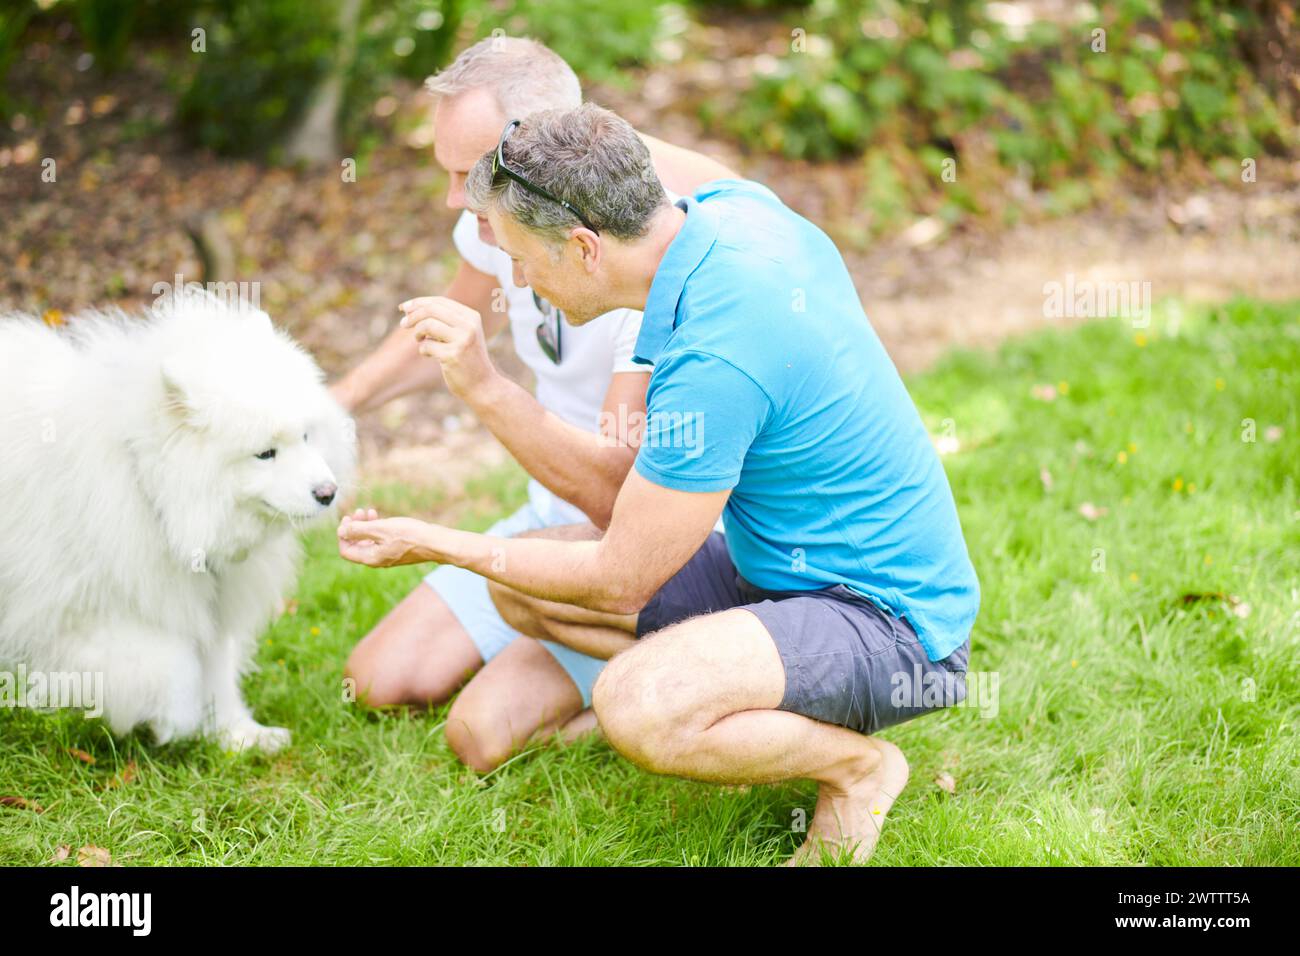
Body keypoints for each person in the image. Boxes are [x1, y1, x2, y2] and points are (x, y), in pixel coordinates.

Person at [336, 103, 979, 866]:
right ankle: (738, 717)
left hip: (892, 626)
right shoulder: (724, 212)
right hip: (773, 575)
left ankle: (859, 769)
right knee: (522, 586)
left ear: (582, 247)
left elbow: (619, 579)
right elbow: (618, 512)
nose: (514, 277)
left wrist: (434, 541)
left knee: (635, 704)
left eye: (518, 256)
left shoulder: (718, 355)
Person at [333, 37, 734, 773]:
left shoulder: (633, 254)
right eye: (446, 173)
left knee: (478, 737)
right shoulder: (496, 217)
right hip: (550, 516)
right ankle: (582, 651)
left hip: (631, 535)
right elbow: (463, 314)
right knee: (377, 679)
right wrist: (335, 404)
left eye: (468, 174)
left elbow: (618, 489)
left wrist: (486, 387)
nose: (455, 201)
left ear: (543, 149)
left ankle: (679, 678)